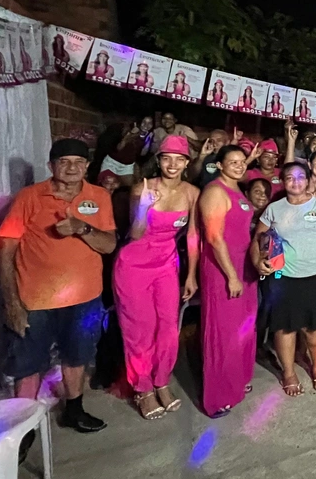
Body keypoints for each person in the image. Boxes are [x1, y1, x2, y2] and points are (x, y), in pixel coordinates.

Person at [0, 139, 118, 433]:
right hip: (35, 300)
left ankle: (73, 411)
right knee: (28, 365)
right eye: (64, 162)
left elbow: (109, 245)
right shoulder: (30, 197)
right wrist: (12, 303)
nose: (72, 167)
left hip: (84, 298)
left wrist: (81, 228)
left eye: (78, 161)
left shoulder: (99, 196)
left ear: (88, 167)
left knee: (77, 356)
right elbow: (5, 252)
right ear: (51, 166)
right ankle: (21, 430)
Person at [112, 137, 200, 420]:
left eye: (179, 159)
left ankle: (161, 380)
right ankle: (143, 387)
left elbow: (193, 235)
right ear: (159, 160)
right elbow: (135, 233)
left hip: (165, 265)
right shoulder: (143, 187)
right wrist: (144, 208)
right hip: (133, 266)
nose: (172, 164)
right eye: (167, 158)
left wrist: (192, 274)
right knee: (140, 329)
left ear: (187, 163)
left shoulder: (192, 193)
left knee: (167, 327)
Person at [255, 162, 316, 396]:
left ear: (308, 180)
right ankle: (289, 373)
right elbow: (259, 236)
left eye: (300, 177)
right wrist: (259, 262)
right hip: (284, 277)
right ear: (283, 182)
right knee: (285, 328)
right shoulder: (275, 208)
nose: (296, 182)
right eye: (290, 178)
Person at [197, 145, 257, 417]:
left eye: (242, 161)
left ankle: (238, 381)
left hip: (245, 267)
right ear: (219, 165)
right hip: (224, 269)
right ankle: (218, 397)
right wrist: (231, 275)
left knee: (243, 328)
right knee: (223, 333)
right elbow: (214, 237)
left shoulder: (238, 191)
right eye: (232, 161)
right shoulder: (214, 192)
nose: (238, 165)